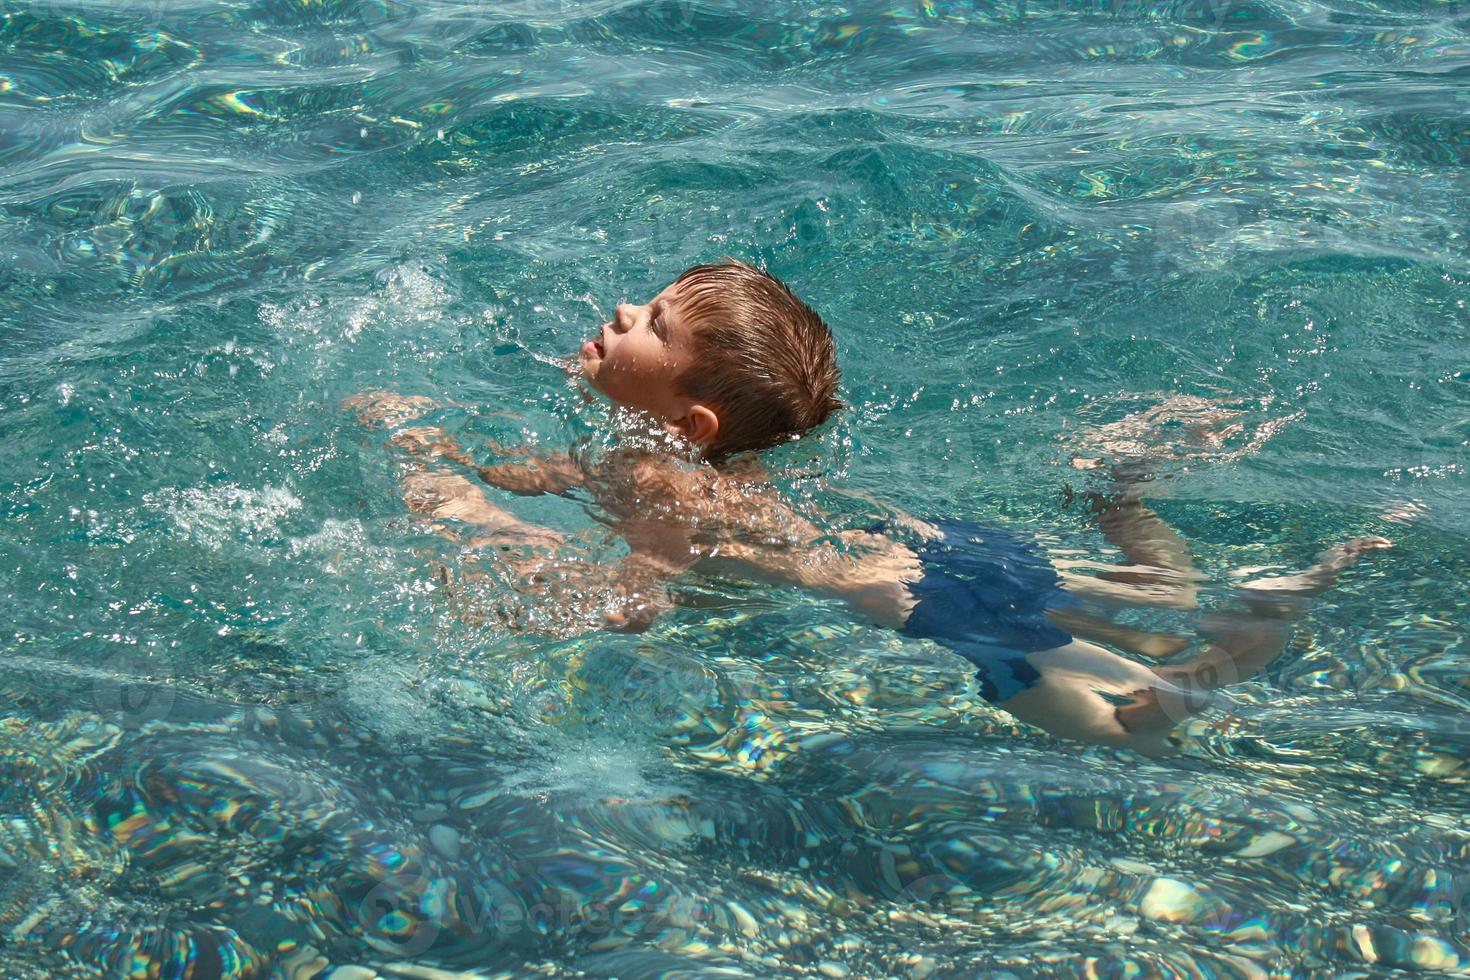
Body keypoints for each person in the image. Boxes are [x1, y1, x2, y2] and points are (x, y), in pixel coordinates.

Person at [347, 259, 1388, 754]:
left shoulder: (664, 482)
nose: (622, 310)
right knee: (1152, 587)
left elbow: (642, 590)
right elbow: (571, 472)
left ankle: (1220, 656)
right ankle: (1130, 496)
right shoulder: (660, 457)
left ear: (695, 419)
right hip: (941, 545)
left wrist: (496, 559)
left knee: (1123, 725)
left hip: (914, 601)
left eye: (652, 322)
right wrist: (475, 463)